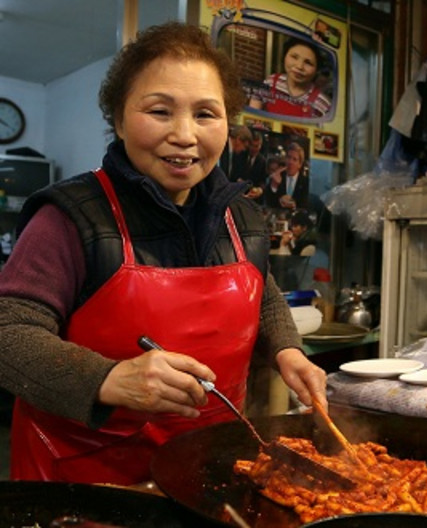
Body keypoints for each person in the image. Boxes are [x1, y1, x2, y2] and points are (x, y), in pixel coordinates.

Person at [0, 22, 327, 485]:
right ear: (117, 118)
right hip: (85, 484)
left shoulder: (242, 216)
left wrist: (288, 351)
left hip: (210, 471)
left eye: (205, 115)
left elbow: (264, 294)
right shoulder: (70, 217)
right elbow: (7, 331)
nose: (184, 135)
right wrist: (108, 379)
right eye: (159, 111)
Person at [248, 38, 332, 119]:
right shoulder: (271, 81)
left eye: (308, 63)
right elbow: (253, 113)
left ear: (317, 69)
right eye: (294, 57)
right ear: (285, 56)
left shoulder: (323, 104)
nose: (299, 66)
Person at [266, 142, 309, 211]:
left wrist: (294, 206)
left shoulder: (305, 182)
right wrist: (274, 185)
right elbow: (268, 203)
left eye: (294, 159)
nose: (290, 162)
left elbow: (305, 207)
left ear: (300, 165)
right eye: (289, 157)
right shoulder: (277, 175)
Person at [242, 131, 267, 201]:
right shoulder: (241, 154)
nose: (253, 149)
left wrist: (259, 190)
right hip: (238, 194)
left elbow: (263, 181)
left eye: (256, 146)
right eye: (251, 145)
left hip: (253, 198)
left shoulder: (262, 161)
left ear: (260, 146)